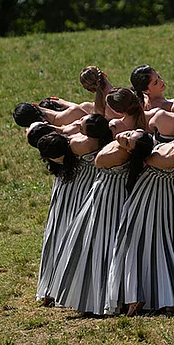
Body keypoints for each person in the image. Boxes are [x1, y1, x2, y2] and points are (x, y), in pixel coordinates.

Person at [49, 129, 154, 315]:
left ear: (130, 151)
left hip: (105, 199)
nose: (124, 137)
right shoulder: (132, 155)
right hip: (116, 197)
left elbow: (99, 160)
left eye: (128, 141)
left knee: (96, 245)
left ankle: (95, 298)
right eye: (128, 134)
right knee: (110, 245)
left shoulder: (115, 154)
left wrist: (117, 142)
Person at [106, 134, 174, 315]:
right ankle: (161, 294)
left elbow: (143, 157)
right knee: (166, 241)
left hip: (150, 198)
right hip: (171, 197)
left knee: (138, 243)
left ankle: (139, 294)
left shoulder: (162, 159)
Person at [33, 114, 113, 306]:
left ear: (87, 132)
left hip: (70, 190)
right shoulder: (106, 144)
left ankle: (52, 287)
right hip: (92, 189)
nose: (78, 123)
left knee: (59, 233)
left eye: (82, 124)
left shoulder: (77, 145)